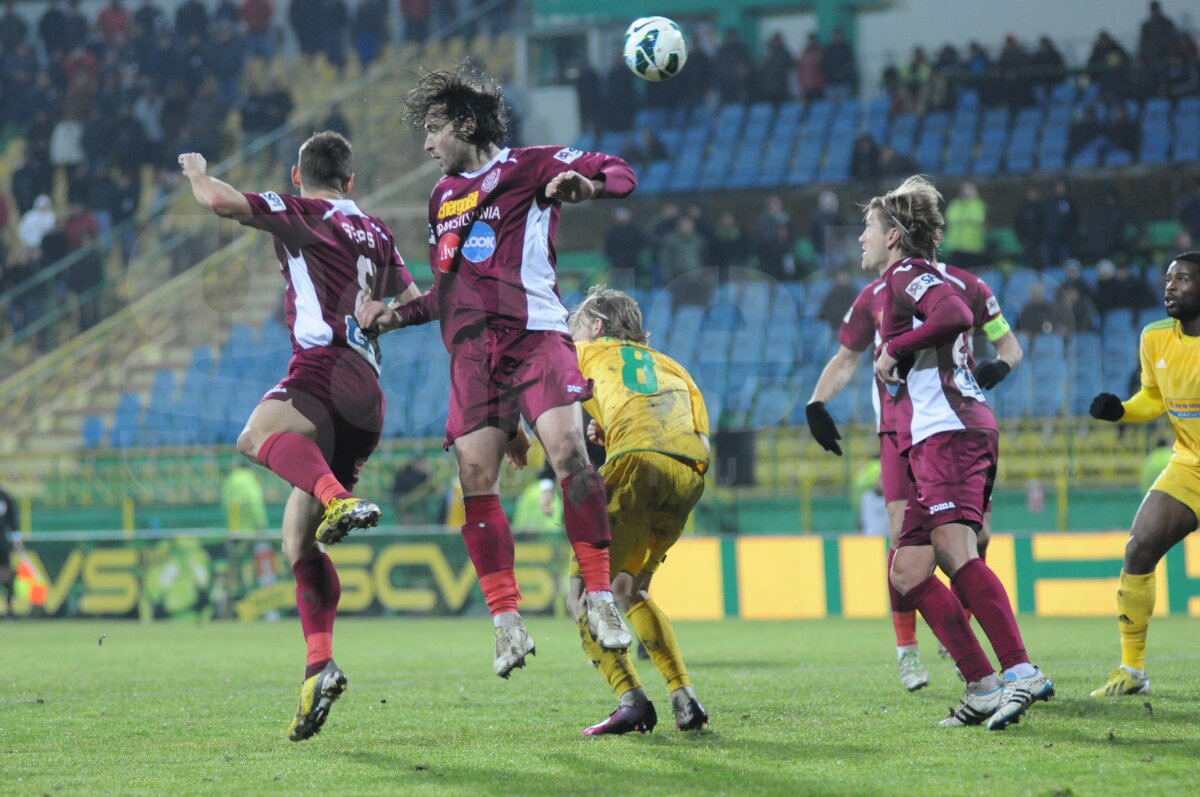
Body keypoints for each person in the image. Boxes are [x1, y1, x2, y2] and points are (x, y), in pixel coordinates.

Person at [356, 65, 634, 680]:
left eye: (432, 130)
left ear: (466, 123)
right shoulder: (441, 199)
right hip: (473, 356)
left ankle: (601, 597)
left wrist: (587, 190)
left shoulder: (531, 166)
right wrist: (389, 316)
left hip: (535, 335)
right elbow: (446, 294)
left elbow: (621, 171)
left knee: (568, 453)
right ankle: (506, 624)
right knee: (474, 480)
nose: (426, 145)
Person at [178, 130, 418, 742]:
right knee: (297, 542)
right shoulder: (377, 230)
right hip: (368, 393)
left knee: (254, 435)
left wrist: (196, 170)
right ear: (353, 181)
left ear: (296, 176)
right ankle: (319, 665)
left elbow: (221, 203)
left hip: (322, 368)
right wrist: (383, 317)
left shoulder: (305, 213)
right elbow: (417, 301)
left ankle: (337, 497)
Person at [846, 176, 1052, 728]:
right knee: (909, 570)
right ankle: (982, 685)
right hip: (928, 437)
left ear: (892, 236)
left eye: (867, 228)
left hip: (950, 431)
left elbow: (957, 316)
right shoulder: (905, 279)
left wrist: (896, 348)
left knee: (956, 552)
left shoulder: (909, 273)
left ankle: (1020, 671)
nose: (860, 238)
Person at [807, 230, 1022, 693]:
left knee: (974, 536)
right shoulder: (876, 294)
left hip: (949, 424)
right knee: (902, 542)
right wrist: (817, 402)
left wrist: (999, 368)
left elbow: (1009, 345)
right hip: (897, 430)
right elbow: (846, 358)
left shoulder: (968, 286)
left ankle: (974, 638)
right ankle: (908, 650)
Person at [529, 286, 710, 736]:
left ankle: (631, 700)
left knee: (582, 597)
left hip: (634, 467)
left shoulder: (584, 351)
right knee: (630, 590)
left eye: (576, 326)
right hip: (688, 475)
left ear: (595, 326)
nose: (570, 335)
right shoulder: (673, 367)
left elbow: (542, 394)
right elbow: (701, 441)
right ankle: (683, 695)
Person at [1088, 252, 1200, 698]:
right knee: (1139, 548)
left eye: (1185, 279)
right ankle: (1131, 670)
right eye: (1169, 279)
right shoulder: (1155, 338)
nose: (1171, 287)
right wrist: (1121, 411)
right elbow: (1153, 398)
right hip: (1189, 464)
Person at [221, 458, 269, 532]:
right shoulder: (250, 479)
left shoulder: (230, 479)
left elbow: (225, 502)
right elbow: (255, 502)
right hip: (251, 531)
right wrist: (261, 523)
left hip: (234, 528)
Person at [511, 462, 562, 532]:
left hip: (526, 537)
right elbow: (553, 525)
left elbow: (520, 520)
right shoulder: (553, 496)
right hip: (546, 537)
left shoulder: (529, 492)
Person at [0, 485, 24, 618]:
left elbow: (13, 521)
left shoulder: (4, 497)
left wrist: (17, 541)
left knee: (6, 576)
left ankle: (9, 609)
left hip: (1, 543)